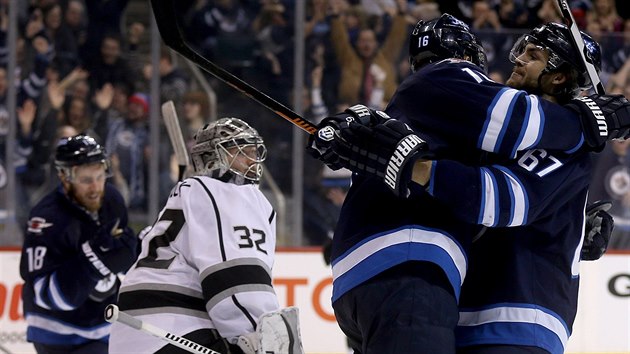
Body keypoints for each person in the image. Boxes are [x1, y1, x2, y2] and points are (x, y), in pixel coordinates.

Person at [307, 14, 625, 354]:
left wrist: (417, 168)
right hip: (462, 313)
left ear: (559, 76)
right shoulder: (488, 132)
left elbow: (501, 199)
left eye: (533, 56)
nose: (518, 59)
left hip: (516, 320)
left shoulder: (563, 143)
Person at [108, 117, 303, 354]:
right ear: (212, 158)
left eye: (254, 151)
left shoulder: (188, 193)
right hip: (176, 331)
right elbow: (236, 278)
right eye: (241, 152)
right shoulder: (229, 193)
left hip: (133, 334)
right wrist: (256, 337)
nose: (251, 160)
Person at [19, 134, 138, 354]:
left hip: (102, 326)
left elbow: (120, 254)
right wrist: (94, 263)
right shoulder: (47, 219)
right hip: (56, 330)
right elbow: (45, 294)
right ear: (65, 178)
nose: (95, 187)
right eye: (86, 180)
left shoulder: (111, 200)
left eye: (100, 176)